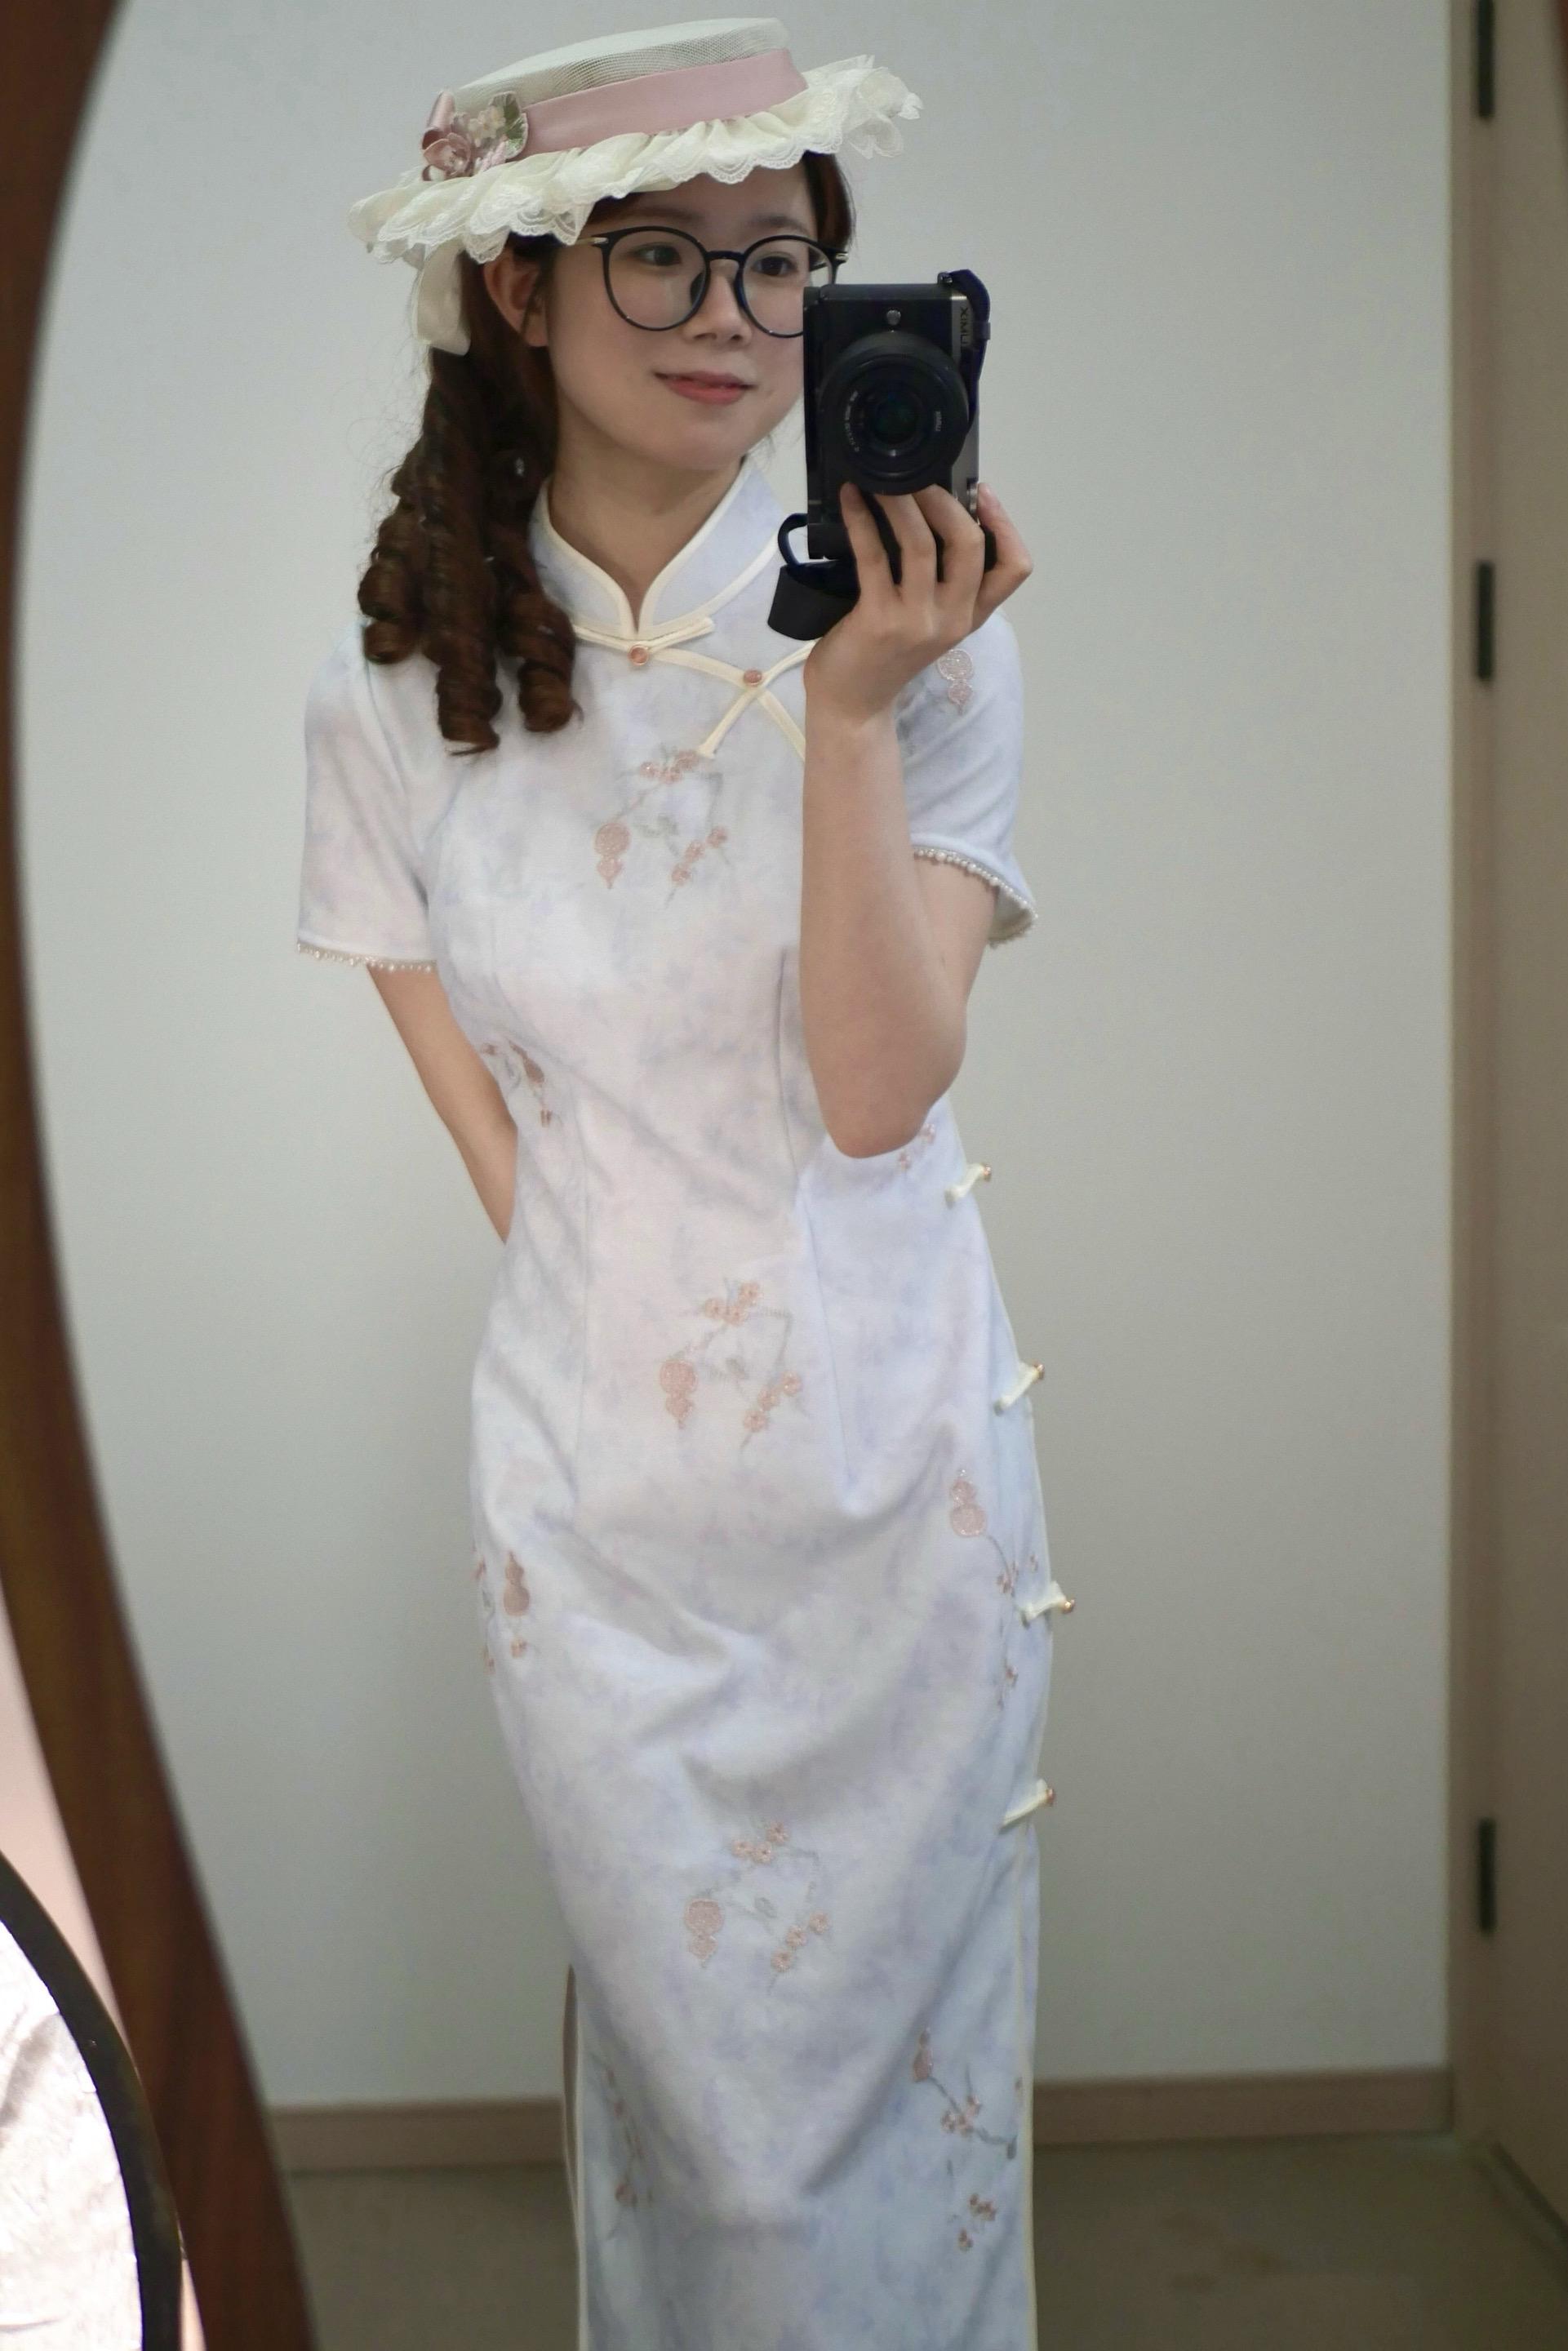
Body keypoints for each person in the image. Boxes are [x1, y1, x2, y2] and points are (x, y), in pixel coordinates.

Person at [295, 19, 1074, 2345]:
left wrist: (849, 714)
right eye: (663, 259)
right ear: (519, 286)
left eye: (777, 263)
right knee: (706, 2140)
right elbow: (508, 1152)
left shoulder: (931, 642)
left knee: (898, 2148)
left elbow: (876, 1093)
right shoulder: (391, 694)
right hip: (597, 1521)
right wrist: (623, 1378)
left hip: (892, 1492)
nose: (732, 317)